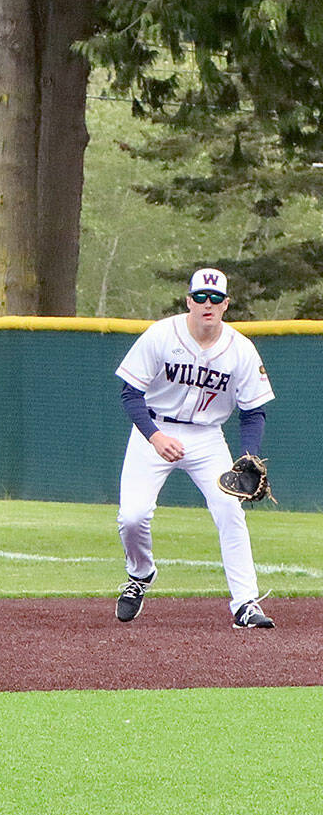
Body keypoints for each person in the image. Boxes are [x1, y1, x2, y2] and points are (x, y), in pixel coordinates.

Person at [113, 267, 275, 628]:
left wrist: (247, 457)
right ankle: (140, 573)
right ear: (188, 301)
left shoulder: (241, 350)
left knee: (230, 511)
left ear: (226, 304)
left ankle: (246, 603)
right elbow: (130, 393)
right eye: (200, 297)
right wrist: (155, 436)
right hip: (154, 429)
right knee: (133, 516)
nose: (207, 304)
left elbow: (254, 412)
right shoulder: (161, 335)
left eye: (215, 298)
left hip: (207, 437)